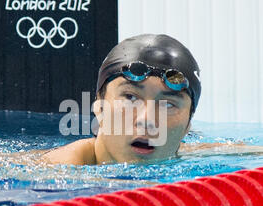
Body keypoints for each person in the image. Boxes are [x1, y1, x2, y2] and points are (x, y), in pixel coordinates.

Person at [41, 34, 263, 166]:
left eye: (168, 105)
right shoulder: (56, 171)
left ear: (187, 126)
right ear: (99, 108)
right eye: (130, 97)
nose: (147, 120)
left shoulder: (190, 154)